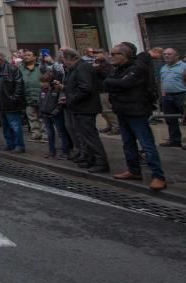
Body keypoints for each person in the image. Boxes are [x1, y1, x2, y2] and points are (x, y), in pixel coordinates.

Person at [105, 45, 165, 190]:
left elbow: (124, 83)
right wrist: (115, 84)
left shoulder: (138, 68)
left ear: (124, 55)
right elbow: (108, 82)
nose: (111, 56)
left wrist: (115, 84)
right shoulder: (118, 69)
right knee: (128, 143)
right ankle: (133, 170)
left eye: (114, 54)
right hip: (122, 110)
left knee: (146, 144)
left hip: (137, 111)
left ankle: (158, 176)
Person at [60, 48, 109, 174]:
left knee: (90, 136)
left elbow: (85, 88)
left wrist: (71, 97)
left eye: (64, 60)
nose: (64, 63)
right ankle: (90, 158)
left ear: (71, 58)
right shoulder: (75, 69)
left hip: (85, 108)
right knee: (83, 136)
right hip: (79, 107)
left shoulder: (83, 68)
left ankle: (101, 162)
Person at [0, 52, 26, 153]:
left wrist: (14, 98)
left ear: (0, 59)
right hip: (1, 103)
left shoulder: (12, 69)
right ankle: (10, 144)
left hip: (10, 102)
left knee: (15, 125)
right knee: (5, 126)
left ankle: (19, 145)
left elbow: (19, 84)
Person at [158, 48, 185, 148]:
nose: (166, 56)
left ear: (176, 56)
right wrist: (163, 94)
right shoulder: (164, 67)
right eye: (164, 54)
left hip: (181, 95)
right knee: (170, 119)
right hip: (167, 97)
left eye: (169, 54)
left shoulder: (184, 67)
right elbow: (162, 81)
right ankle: (174, 140)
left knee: (185, 119)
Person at [38, 72, 69, 159]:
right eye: (41, 82)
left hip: (56, 115)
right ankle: (51, 151)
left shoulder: (57, 90)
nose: (43, 84)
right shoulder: (42, 90)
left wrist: (56, 111)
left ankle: (65, 151)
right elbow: (40, 101)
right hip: (46, 115)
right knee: (49, 133)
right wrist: (41, 111)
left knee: (61, 132)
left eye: (45, 82)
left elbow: (61, 102)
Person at [18, 50, 44, 142]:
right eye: (25, 55)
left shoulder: (41, 66)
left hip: (41, 95)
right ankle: (36, 134)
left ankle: (44, 134)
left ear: (34, 57)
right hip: (28, 95)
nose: (26, 57)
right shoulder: (20, 68)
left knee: (42, 116)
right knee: (31, 116)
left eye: (29, 55)